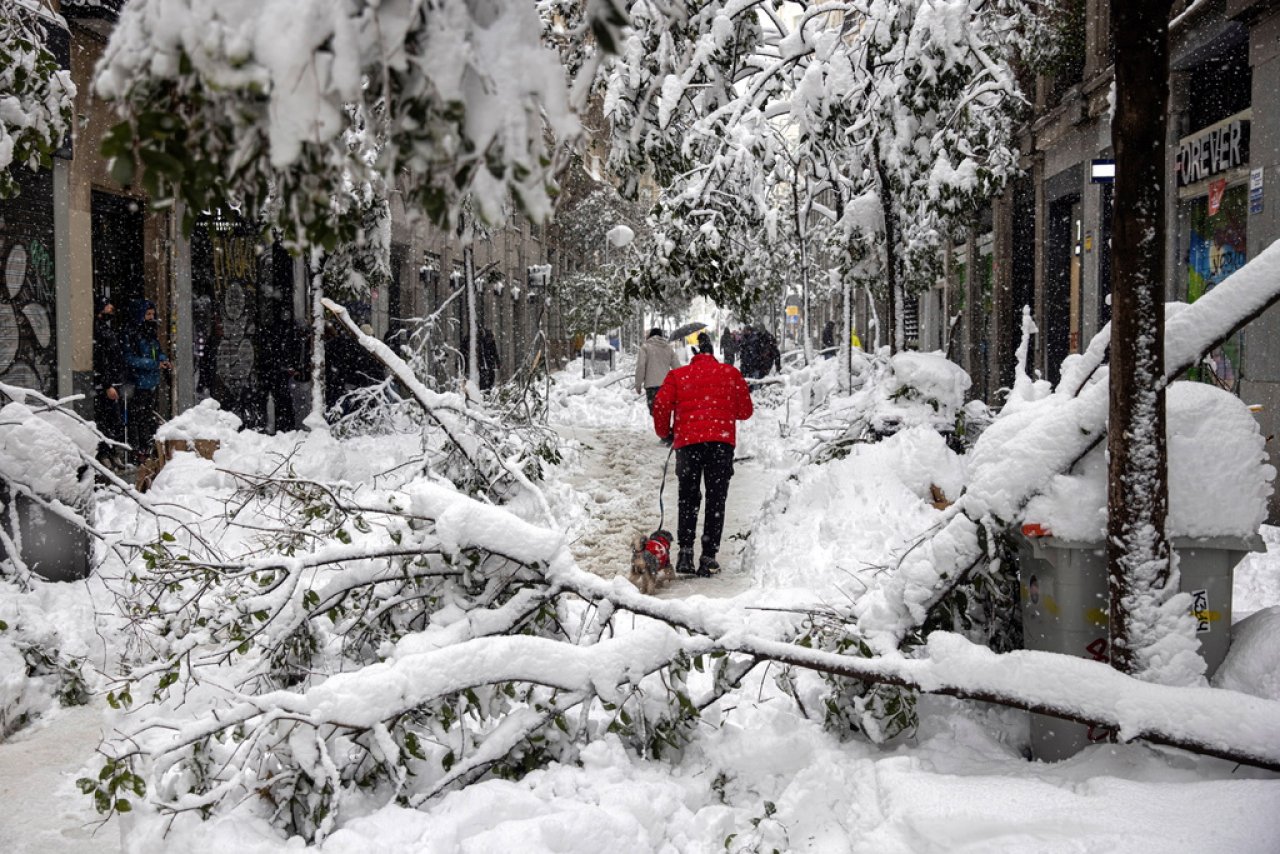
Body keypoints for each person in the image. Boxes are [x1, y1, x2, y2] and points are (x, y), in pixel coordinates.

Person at [652, 332, 753, 576]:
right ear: (714, 355)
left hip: (688, 445)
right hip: (720, 445)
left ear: (694, 356)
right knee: (715, 499)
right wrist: (721, 411)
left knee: (687, 498)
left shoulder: (678, 375)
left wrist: (666, 432)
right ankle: (708, 557)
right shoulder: (730, 374)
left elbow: (661, 405)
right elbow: (745, 410)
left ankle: (685, 553)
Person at [125, 300, 171, 461]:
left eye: (152, 314)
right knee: (138, 418)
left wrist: (163, 360)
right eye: (148, 314)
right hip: (138, 382)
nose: (151, 318)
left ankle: (147, 447)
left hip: (151, 382)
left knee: (148, 417)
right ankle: (138, 449)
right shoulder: (133, 334)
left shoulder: (150, 334)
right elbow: (130, 359)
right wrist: (153, 364)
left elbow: (157, 351)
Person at [92, 297, 127, 466]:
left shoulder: (105, 329)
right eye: (107, 306)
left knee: (114, 420)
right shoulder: (98, 331)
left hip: (113, 381)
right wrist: (107, 384)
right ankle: (105, 453)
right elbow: (102, 359)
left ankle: (112, 451)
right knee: (107, 420)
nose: (111, 308)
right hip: (107, 384)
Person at [635, 327, 678, 420]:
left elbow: (641, 366)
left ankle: (663, 432)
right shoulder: (669, 348)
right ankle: (666, 432)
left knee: (655, 413)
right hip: (666, 387)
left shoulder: (645, 347)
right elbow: (677, 368)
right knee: (665, 412)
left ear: (650, 336)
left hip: (651, 386)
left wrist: (638, 384)